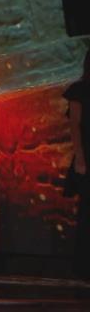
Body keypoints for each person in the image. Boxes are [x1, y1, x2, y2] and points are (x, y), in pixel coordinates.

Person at [64, 48, 90, 278]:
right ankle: (82, 269)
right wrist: (80, 159)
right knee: (86, 214)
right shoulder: (79, 91)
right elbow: (75, 126)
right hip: (87, 158)